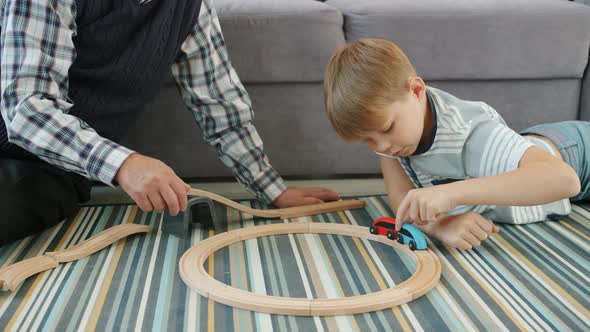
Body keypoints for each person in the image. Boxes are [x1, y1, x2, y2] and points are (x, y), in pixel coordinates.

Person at [0, 0, 339, 246]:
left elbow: (220, 103)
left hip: (56, 170)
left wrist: (273, 189)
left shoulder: (192, 8)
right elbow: (25, 108)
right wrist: (124, 164)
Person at [323, 38, 588, 249]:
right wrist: (440, 225)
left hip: (577, 154)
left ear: (416, 91)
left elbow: (564, 180)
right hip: (535, 143)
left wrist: (451, 194)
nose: (381, 147)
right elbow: (402, 200)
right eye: (368, 140)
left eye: (387, 129)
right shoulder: (394, 138)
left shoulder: (470, 132)